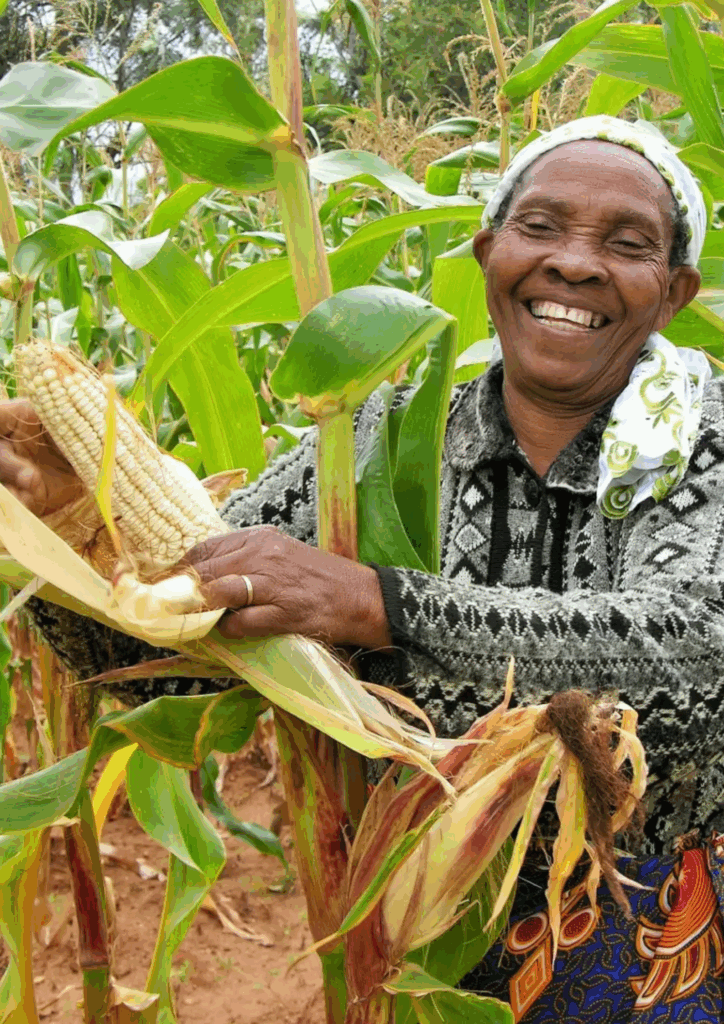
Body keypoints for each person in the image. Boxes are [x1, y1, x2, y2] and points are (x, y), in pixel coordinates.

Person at [2, 115, 724, 1020]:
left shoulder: (704, 446)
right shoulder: (372, 438)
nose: (574, 264)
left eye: (626, 244)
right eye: (539, 228)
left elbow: (695, 651)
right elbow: (171, 660)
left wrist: (379, 604)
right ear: (488, 250)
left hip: (651, 938)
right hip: (415, 928)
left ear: (675, 292)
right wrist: (71, 528)